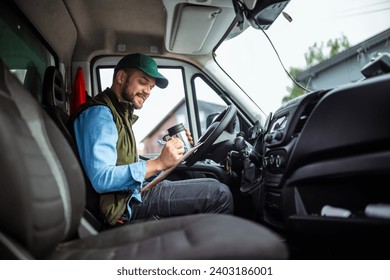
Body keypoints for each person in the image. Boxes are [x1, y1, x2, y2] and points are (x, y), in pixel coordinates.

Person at [71, 53, 234, 226]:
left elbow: (123, 160)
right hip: (123, 207)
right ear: (121, 77)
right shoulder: (100, 114)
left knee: (211, 184)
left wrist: (174, 152)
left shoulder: (119, 113)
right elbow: (102, 178)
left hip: (131, 193)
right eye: (142, 82)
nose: (148, 91)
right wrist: (158, 163)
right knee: (219, 194)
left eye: (151, 87)